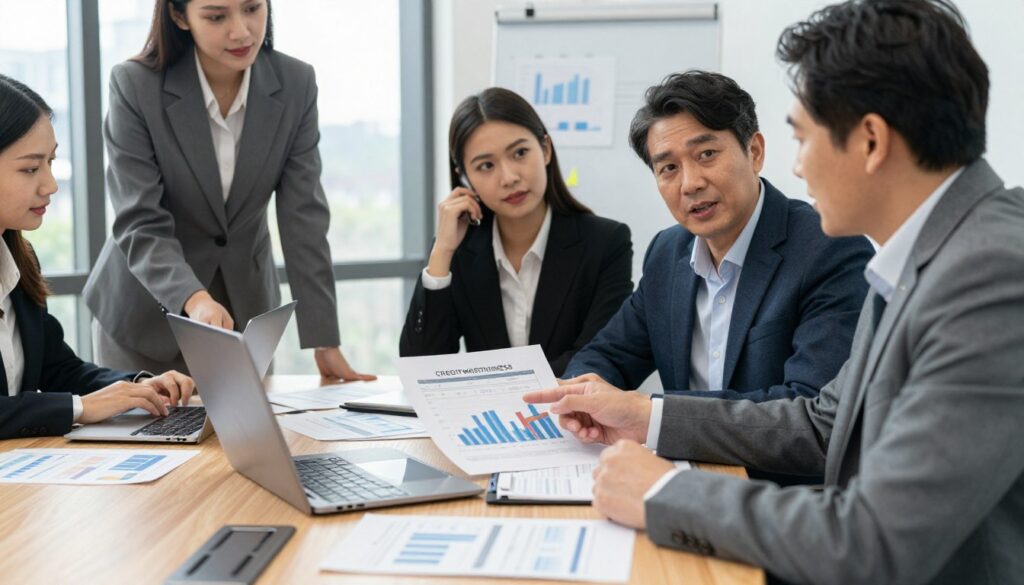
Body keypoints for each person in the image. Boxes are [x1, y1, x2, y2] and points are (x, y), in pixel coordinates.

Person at [524, 1, 1024, 583]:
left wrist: (666, 492)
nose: (800, 168)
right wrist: (644, 417)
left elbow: (872, 540)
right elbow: (819, 423)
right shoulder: (929, 257)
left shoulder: (990, 275)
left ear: (870, 141)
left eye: (803, 138)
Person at [83, 0, 372, 380]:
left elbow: (304, 218)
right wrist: (194, 298)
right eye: (217, 16)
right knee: (146, 438)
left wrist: (324, 339)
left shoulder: (295, 83)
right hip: (144, 318)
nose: (241, 31)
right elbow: (140, 219)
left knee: (244, 438)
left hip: (244, 319)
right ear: (178, 15)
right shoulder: (136, 85)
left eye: (253, 8)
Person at [563, 71, 874, 405]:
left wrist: (653, 416)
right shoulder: (667, 253)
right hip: (677, 456)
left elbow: (810, 405)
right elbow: (607, 355)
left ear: (754, 151)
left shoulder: (828, 247)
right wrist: (575, 397)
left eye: (706, 155)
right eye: (668, 168)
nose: (690, 183)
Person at [0, 74, 195, 440]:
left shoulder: (18, 260)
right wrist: (81, 408)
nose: (51, 185)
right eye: (30, 168)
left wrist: (138, 386)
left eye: (51, 162)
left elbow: (60, 369)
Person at [399, 88, 633, 376]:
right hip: (487, 418)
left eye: (520, 153)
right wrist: (442, 253)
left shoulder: (605, 243)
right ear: (464, 176)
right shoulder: (461, 249)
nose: (509, 177)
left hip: (569, 416)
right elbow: (420, 369)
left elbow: (600, 358)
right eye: (486, 165)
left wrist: (506, 390)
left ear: (545, 149)